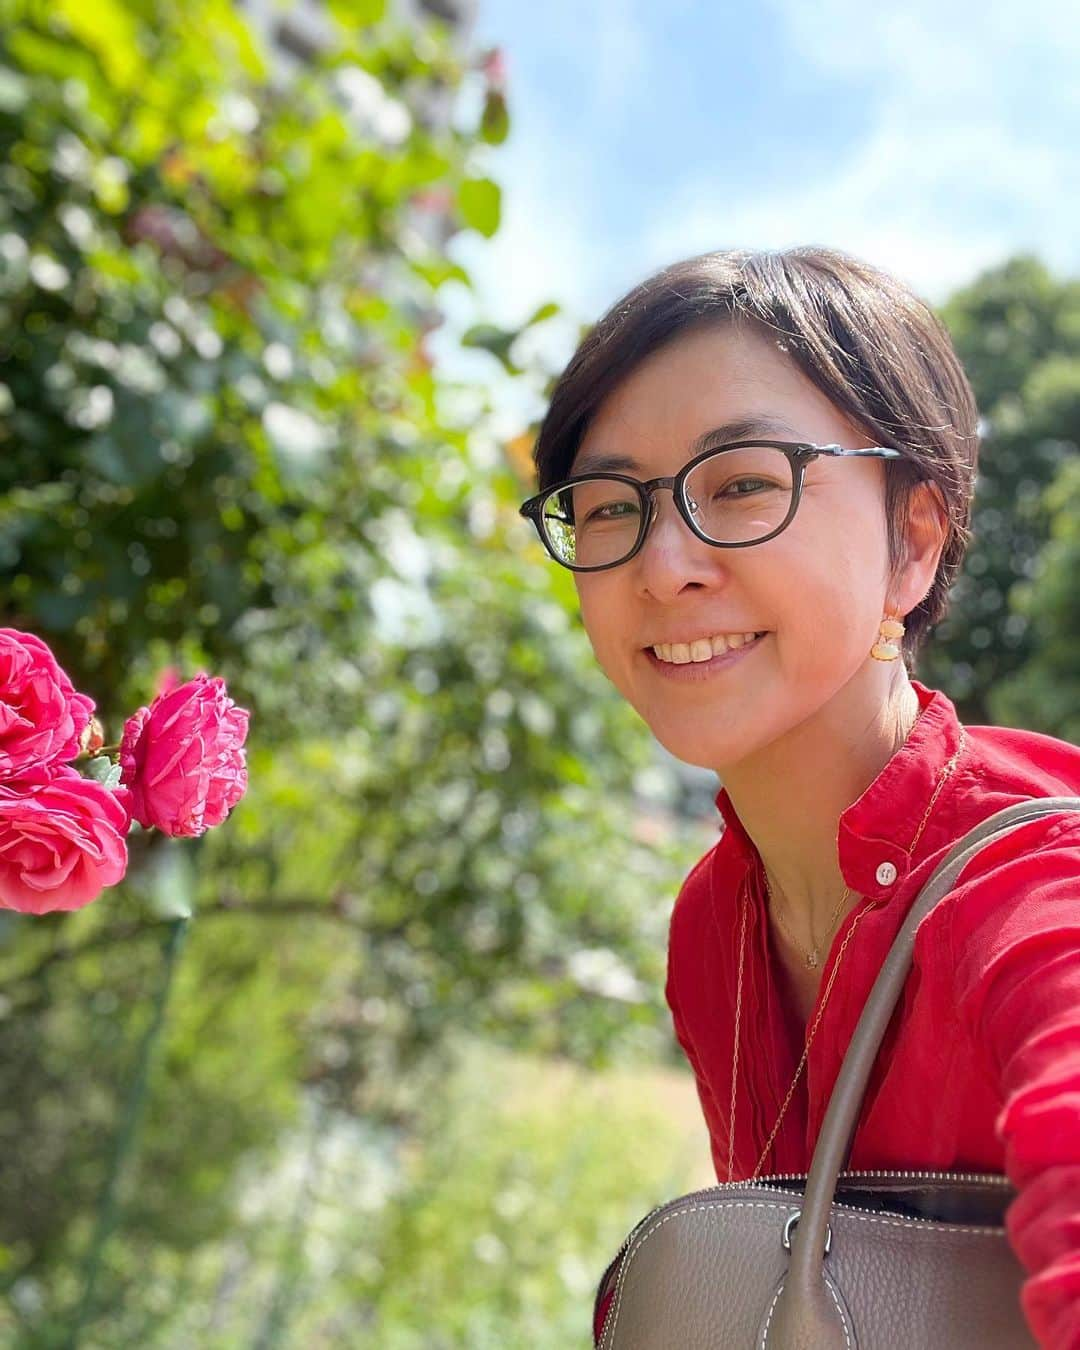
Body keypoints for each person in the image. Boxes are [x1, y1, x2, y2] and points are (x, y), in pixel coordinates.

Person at [518, 247, 1080, 1349]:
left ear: (913, 540)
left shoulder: (1036, 876)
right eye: (603, 505)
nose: (663, 563)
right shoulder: (712, 923)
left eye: (742, 485)